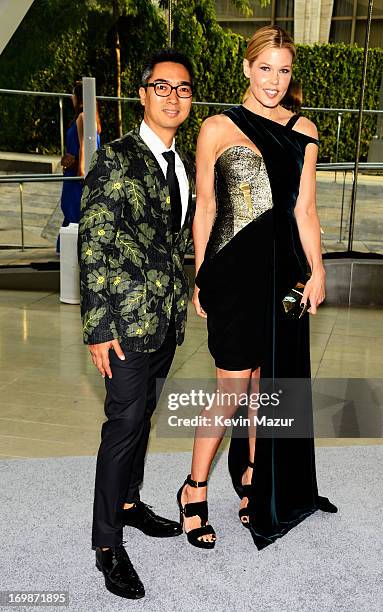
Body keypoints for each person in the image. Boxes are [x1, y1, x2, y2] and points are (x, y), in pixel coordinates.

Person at [176, 25, 337, 551]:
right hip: (233, 273)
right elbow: (205, 208)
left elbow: (304, 209)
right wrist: (201, 274)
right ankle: (194, 489)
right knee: (232, 386)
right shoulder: (217, 126)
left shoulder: (304, 128)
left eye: (283, 70)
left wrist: (317, 268)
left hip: (284, 272)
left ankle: (253, 479)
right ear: (247, 68)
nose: (274, 80)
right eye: (265, 68)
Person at [78, 49, 194, 599]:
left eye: (183, 88)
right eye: (162, 87)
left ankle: (128, 504)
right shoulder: (117, 159)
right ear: (143, 95)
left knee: (143, 417)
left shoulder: (183, 163)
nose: (173, 96)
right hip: (124, 324)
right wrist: (99, 327)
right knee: (122, 429)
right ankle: (106, 543)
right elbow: (94, 243)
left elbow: (173, 245)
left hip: (165, 322)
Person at [58, 81, 101, 252]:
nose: (71, 97)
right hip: (74, 171)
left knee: (73, 211)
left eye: (73, 94)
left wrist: (82, 172)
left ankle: (72, 250)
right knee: (71, 211)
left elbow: (85, 146)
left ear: (80, 98)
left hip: (77, 176)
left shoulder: (84, 117)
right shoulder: (89, 117)